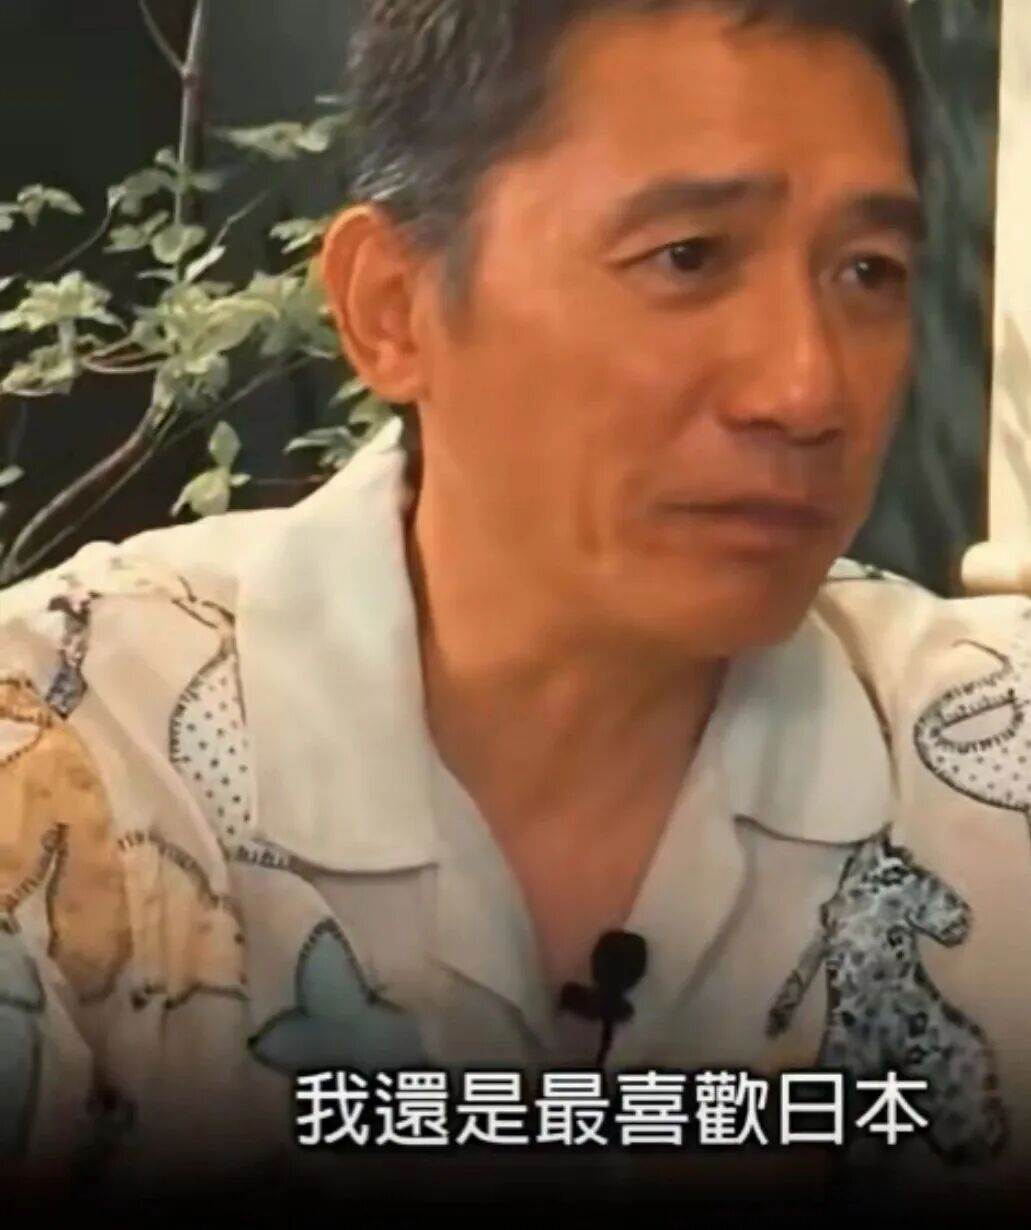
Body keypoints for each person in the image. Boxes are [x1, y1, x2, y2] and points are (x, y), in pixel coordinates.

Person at [1, 0, 1029, 1212]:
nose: (805, 388)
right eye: (687, 257)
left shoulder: (986, 757)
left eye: (867, 272)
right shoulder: (67, 752)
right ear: (391, 306)